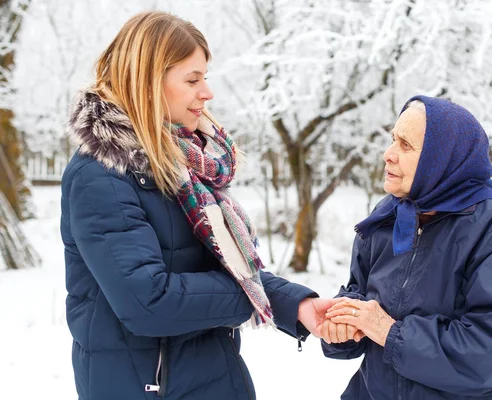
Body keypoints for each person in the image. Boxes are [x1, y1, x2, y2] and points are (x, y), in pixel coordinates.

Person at [61, 11, 334, 400]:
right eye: (193, 79)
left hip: (211, 378)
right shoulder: (102, 175)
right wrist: (256, 295)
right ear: (149, 82)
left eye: (205, 77)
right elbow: (148, 302)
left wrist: (295, 303)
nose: (207, 92)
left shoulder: (180, 165)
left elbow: (222, 269)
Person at [320, 96, 492, 399]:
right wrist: (344, 325)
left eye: (405, 145)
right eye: (392, 140)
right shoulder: (388, 216)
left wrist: (388, 332)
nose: (388, 155)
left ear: (441, 159)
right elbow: (363, 295)